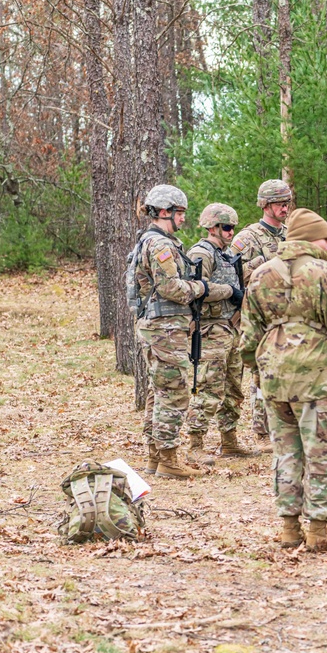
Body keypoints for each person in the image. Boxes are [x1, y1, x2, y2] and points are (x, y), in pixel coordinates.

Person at [241, 208, 327, 552]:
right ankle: (318, 528)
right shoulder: (324, 273)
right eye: (324, 239)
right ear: (308, 239)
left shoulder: (260, 274)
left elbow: (246, 339)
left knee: (285, 453)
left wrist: (260, 375)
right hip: (317, 378)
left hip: (275, 380)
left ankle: (289, 528)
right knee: (318, 453)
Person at [131, 185, 236, 479]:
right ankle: (168, 459)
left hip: (161, 327)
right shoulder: (160, 246)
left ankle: (156, 457)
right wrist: (201, 287)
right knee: (174, 393)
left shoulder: (154, 242)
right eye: (180, 213)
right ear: (165, 212)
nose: (183, 220)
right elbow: (170, 288)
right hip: (164, 328)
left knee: (160, 391)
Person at [184, 203, 259, 460]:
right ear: (213, 227)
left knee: (233, 389)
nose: (231, 233)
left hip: (230, 328)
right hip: (209, 330)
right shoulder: (201, 253)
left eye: (233, 228)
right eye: (226, 228)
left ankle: (229, 441)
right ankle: (195, 445)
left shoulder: (226, 255)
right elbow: (195, 288)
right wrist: (229, 292)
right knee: (208, 389)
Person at [231, 178, 293, 441]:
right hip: (259, 315)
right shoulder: (247, 237)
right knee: (261, 374)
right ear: (266, 205)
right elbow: (232, 276)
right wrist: (263, 261)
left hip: (289, 314)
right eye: (280, 203)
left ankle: (285, 425)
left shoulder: (291, 233)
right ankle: (262, 431)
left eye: (287, 202)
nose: (285, 208)